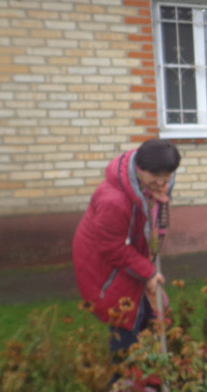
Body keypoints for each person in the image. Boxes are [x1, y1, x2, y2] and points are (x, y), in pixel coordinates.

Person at [72, 138, 181, 355]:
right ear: (140, 169)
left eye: (166, 177)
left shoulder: (153, 182)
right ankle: (125, 382)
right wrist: (148, 272)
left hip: (130, 251)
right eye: (155, 177)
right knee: (127, 317)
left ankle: (151, 371)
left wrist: (155, 198)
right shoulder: (113, 201)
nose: (162, 184)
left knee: (150, 310)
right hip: (103, 266)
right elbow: (112, 248)